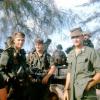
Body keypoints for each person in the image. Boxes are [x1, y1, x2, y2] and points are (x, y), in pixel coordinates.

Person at [64, 27, 100, 100]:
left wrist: (89, 85)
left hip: (87, 95)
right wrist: (66, 89)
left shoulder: (91, 52)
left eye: (77, 36)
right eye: (73, 37)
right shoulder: (71, 54)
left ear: (82, 37)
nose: (75, 39)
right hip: (73, 94)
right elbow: (69, 73)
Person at [0, 32, 27, 100]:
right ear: (14, 40)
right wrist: (7, 78)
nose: (21, 42)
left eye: (23, 40)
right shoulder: (7, 52)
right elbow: (0, 69)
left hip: (22, 85)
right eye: (19, 40)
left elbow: (24, 66)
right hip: (11, 85)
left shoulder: (22, 53)